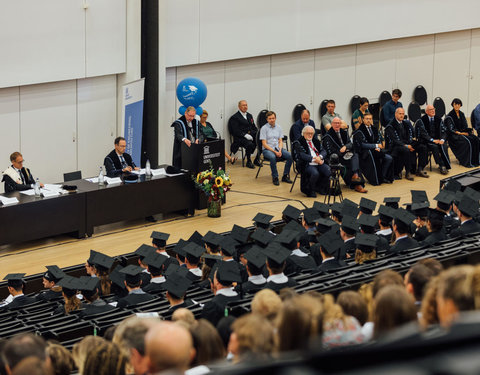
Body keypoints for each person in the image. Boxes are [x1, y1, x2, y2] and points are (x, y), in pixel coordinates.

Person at [323, 117, 367, 193]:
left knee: (355, 156)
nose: (337, 125)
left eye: (338, 123)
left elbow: (350, 143)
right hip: (337, 157)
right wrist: (342, 152)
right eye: (335, 123)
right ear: (332, 124)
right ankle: (356, 184)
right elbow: (329, 151)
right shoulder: (328, 136)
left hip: (347, 153)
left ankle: (355, 176)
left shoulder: (344, 132)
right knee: (350, 162)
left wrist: (346, 147)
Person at [384, 108, 426, 180]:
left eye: (403, 114)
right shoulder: (390, 126)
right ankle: (408, 172)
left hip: (406, 144)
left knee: (422, 146)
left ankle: (420, 168)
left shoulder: (405, 123)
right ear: (395, 114)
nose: (401, 115)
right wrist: (407, 146)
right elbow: (394, 140)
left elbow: (410, 135)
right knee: (406, 150)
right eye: (400, 114)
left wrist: (411, 145)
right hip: (395, 146)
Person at [353, 112, 393, 185]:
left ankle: (382, 176)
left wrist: (378, 148)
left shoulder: (374, 129)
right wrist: (376, 146)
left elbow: (379, 140)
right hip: (365, 153)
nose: (369, 120)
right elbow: (363, 145)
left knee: (389, 158)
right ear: (363, 120)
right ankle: (376, 179)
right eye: (367, 119)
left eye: (370, 119)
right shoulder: (359, 131)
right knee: (375, 157)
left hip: (376, 150)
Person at [293, 125, 331, 198]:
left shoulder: (316, 141)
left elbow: (323, 151)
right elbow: (302, 155)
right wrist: (314, 159)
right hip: (308, 163)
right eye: (308, 133)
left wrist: (320, 157)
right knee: (315, 173)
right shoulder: (298, 142)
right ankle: (310, 190)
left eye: (311, 133)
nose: (310, 135)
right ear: (303, 133)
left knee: (328, 170)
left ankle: (322, 188)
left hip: (319, 161)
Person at [259, 111, 293, 186]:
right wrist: (275, 152)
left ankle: (285, 175)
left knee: (290, 156)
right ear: (267, 119)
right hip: (267, 149)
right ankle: (275, 177)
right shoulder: (264, 128)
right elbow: (264, 144)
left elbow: (280, 141)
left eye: (273, 118)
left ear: (275, 118)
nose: (272, 120)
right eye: (270, 118)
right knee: (272, 157)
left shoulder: (279, 127)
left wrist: (280, 150)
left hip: (278, 148)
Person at [445, 98, 480, 167]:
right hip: (454, 136)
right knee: (468, 142)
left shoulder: (461, 114)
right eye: (455, 104)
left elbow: (465, 126)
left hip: (462, 132)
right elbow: (451, 129)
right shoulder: (449, 116)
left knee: (475, 139)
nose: (457, 106)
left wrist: (469, 130)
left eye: (458, 104)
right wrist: (462, 133)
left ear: (460, 105)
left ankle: (476, 160)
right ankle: (467, 162)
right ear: (453, 105)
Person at [418, 105, 451, 175]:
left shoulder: (439, 119)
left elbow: (444, 131)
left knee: (444, 146)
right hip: (426, 140)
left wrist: (442, 139)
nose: (433, 111)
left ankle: (445, 164)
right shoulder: (422, 120)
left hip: (438, 140)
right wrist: (432, 140)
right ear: (426, 112)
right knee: (434, 146)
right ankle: (441, 165)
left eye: (433, 109)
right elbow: (423, 134)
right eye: (430, 110)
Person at [228, 100, 259, 169]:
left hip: (250, 135)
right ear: (239, 107)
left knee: (261, 141)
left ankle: (256, 160)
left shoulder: (249, 115)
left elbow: (253, 126)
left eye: (246, 105)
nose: (245, 107)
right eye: (243, 105)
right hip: (240, 138)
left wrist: (257, 133)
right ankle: (249, 161)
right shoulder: (235, 117)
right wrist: (245, 135)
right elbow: (235, 131)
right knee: (250, 144)